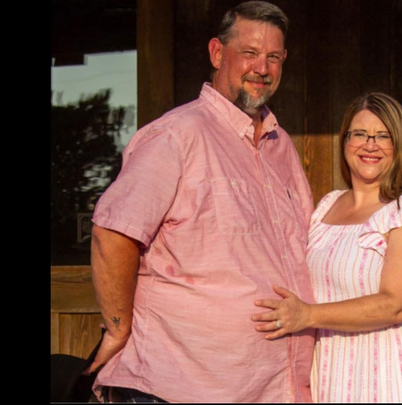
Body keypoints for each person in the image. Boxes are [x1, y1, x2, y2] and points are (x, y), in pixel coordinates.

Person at [86, 2, 316, 403]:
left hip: (268, 388)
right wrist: (118, 328)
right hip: (180, 387)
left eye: (273, 57)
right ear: (217, 53)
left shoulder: (281, 146)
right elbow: (113, 233)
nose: (262, 68)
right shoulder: (176, 136)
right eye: (249, 53)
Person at [251, 92, 402, 402]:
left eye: (383, 136)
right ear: (345, 141)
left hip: (389, 375)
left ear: (400, 145)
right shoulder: (328, 206)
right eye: (359, 134)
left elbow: (397, 304)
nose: (370, 145)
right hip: (332, 373)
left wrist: (307, 315)